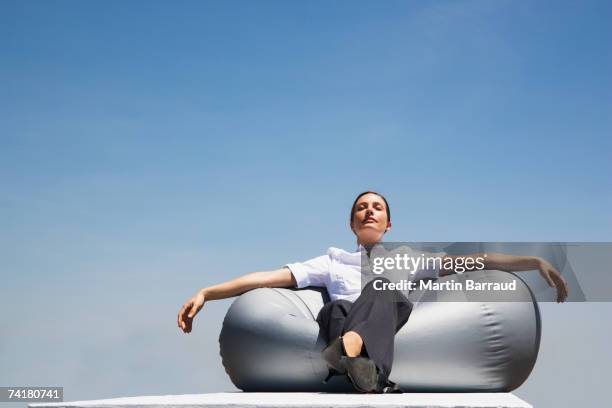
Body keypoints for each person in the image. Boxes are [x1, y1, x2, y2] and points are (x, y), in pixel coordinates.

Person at [177, 191, 569, 393]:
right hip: (344, 321)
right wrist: (207, 293)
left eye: (376, 207)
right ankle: (363, 368)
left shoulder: (410, 259)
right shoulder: (331, 262)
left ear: (388, 223)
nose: (369, 211)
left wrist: (534, 263)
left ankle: (350, 350)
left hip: (389, 314)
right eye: (362, 207)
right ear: (351, 223)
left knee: (381, 289)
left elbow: (479, 259)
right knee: (334, 311)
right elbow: (265, 279)